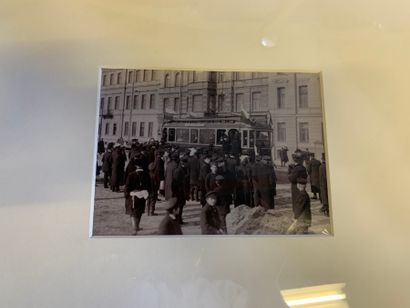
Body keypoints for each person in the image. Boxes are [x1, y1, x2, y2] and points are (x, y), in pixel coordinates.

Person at [124, 165, 150, 235]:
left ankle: (135, 228)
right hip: (141, 196)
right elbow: (149, 186)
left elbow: (127, 186)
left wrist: (126, 195)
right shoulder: (146, 175)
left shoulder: (131, 175)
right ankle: (136, 227)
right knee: (139, 212)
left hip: (133, 197)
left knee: (134, 213)